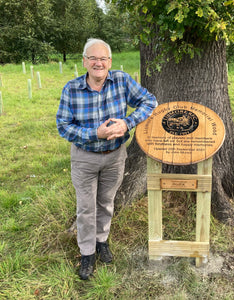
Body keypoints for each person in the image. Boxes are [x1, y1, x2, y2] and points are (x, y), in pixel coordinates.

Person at [56, 38, 157, 280]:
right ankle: (87, 253)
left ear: (110, 62)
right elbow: (63, 126)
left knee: (106, 202)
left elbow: (149, 101)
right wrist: (95, 134)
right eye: (93, 58)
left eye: (103, 58)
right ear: (84, 62)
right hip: (84, 158)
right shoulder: (72, 89)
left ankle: (102, 241)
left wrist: (128, 122)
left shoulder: (121, 81)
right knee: (86, 207)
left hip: (115, 156)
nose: (98, 63)